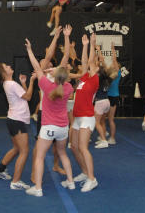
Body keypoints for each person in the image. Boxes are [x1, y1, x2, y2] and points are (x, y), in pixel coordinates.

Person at [24, 25, 75, 197]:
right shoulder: (67, 87)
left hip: (48, 123)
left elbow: (42, 66)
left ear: (55, 71)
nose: (50, 65)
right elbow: (57, 57)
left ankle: (39, 185)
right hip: (60, 125)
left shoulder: (45, 83)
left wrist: (30, 50)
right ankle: (70, 181)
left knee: (40, 154)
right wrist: (63, 37)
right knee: (60, 152)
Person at [0, 64, 36, 191]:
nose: (9, 66)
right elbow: (28, 97)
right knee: (24, 151)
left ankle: (0, 170)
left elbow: (24, 96)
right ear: (4, 73)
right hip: (17, 121)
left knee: (17, 148)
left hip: (12, 119)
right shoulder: (11, 84)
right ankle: (15, 181)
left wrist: (24, 83)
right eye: (6, 66)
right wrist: (32, 81)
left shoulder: (9, 84)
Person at [69, 33, 99, 192]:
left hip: (87, 117)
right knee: (73, 147)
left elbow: (89, 61)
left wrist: (92, 44)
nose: (89, 66)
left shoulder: (94, 80)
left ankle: (92, 179)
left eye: (93, 66)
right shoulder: (84, 77)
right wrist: (85, 45)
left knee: (82, 147)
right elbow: (85, 61)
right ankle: (84, 172)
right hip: (77, 118)